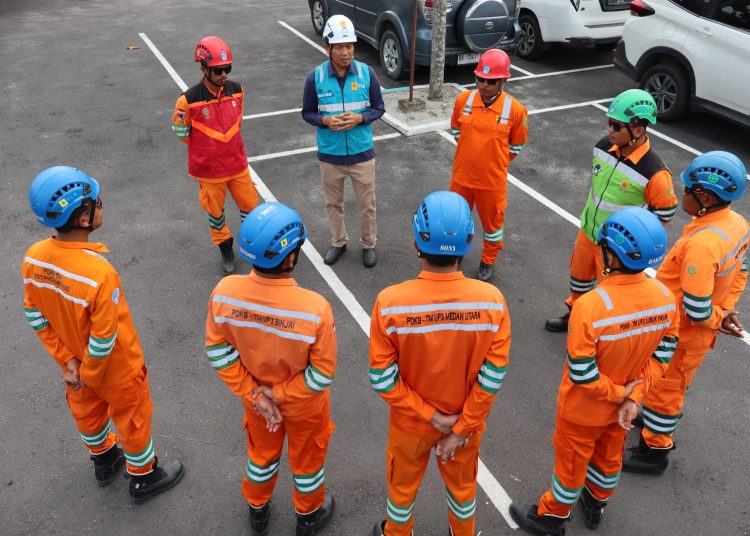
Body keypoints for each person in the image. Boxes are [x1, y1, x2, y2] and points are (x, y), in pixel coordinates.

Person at [510, 207, 679, 535]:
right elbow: (664, 352)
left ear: (611, 255)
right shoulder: (665, 298)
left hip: (583, 411)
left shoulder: (590, 306)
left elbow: (582, 374)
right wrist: (634, 395)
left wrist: (621, 394)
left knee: (571, 466)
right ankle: (596, 502)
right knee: (608, 457)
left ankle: (552, 517)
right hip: (623, 411)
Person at [22, 166, 184, 504]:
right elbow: (104, 336)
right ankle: (143, 477)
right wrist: (90, 374)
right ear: (84, 219)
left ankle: (104, 460)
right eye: (98, 201)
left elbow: (34, 313)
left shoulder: (33, 258)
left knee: (87, 415)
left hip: (74, 367)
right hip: (116, 370)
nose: (101, 205)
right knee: (133, 419)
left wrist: (69, 363)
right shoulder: (99, 273)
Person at [369, 191, 511, 536]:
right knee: (463, 494)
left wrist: (431, 416)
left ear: (417, 242)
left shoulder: (390, 303)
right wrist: (460, 428)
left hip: (411, 426)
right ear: (468, 243)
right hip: (466, 426)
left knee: (401, 494)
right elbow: (492, 378)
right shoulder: (492, 302)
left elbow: (382, 378)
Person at [205, 202, 337, 536]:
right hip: (305, 407)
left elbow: (217, 350)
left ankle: (258, 509)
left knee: (261, 456)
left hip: (257, 405)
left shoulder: (225, 293)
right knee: (307, 464)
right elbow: (322, 375)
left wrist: (257, 395)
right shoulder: (314, 309)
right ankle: (307, 517)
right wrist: (279, 394)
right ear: (291, 258)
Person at [623, 151, 749, 475]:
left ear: (705, 196)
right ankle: (651, 416)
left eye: (688, 189)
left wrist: (719, 317)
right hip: (691, 334)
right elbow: (743, 267)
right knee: (667, 385)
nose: (682, 194)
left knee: (668, 391)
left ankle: (654, 451)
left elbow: (695, 308)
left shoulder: (704, 245)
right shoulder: (736, 224)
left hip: (682, 335)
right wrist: (729, 306)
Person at [545, 89, 678, 332]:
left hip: (617, 247)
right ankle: (574, 314)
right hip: (588, 233)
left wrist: (633, 242)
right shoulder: (602, 147)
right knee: (579, 280)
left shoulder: (656, 174)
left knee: (612, 296)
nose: (610, 130)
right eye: (609, 123)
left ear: (638, 129)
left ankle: (601, 333)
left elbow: (664, 215)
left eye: (617, 126)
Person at [302, 14, 385, 268]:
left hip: (362, 153)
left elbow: (379, 108)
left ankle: (368, 244)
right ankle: (339, 242)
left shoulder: (366, 73)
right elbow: (307, 113)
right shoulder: (314, 78)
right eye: (339, 47)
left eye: (349, 45)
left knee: (367, 204)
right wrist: (325, 121)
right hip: (330, 155)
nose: (346, 52)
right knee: (333, 203)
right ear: (327, 47)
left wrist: (360, 117)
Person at [172, 36, 259, 274]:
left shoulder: (238, 91)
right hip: (210, 172)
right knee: (216, 214)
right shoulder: (187, 101)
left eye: (227, 69)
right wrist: (206, 149)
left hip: (237, 164)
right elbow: (181, 132)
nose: (224, 75)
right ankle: (225, 250)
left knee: (250, 207)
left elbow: (237, 121)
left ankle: (251, 245)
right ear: (203, 69)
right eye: (218, 70)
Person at [449, 48, 529, 282]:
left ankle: (488, 261)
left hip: (491, 182)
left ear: (503, 81)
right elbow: (456, 129)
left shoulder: (515, 110)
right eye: (480, 79)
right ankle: (456, 254)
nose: (484, 85)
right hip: (461, 178)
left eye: (491, 81)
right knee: (457, 220)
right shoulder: (464, 100)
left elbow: (517, 145)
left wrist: (495, 160)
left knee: (492, 226)